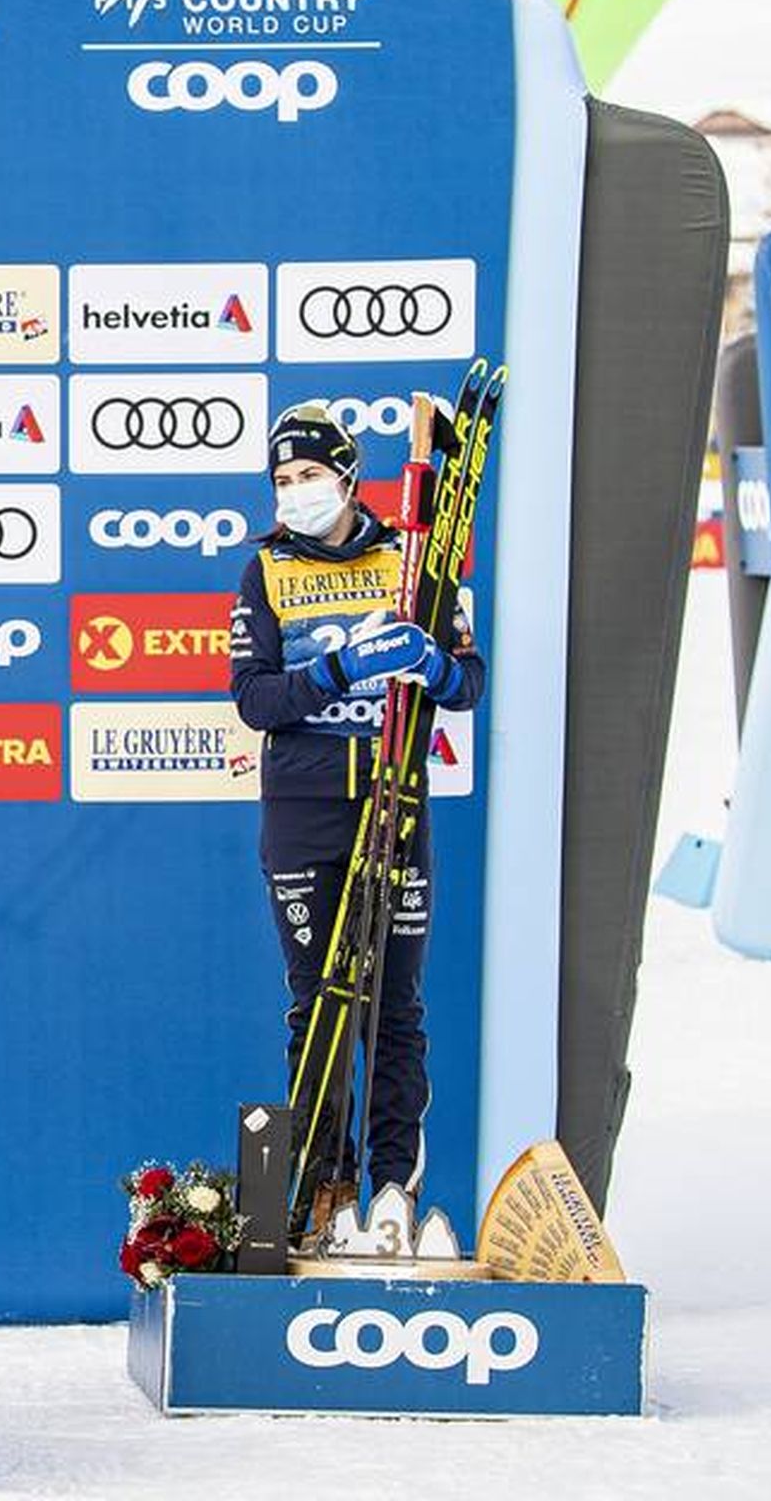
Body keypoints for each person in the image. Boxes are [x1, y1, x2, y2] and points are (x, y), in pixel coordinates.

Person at [226, 400, 484, 1225]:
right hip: (304, 811)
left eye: (308, 476)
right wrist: (342, 667)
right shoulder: (266, 571)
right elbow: (256, 699)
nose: (295, 492)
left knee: (393, 1006)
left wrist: (433, 667)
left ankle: (393, 1187)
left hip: (394, 801)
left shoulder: (412, 561)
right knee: (320, 1002)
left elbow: (471, 684)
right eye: (282, 480)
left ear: (346, 476)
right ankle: (324, 1184)